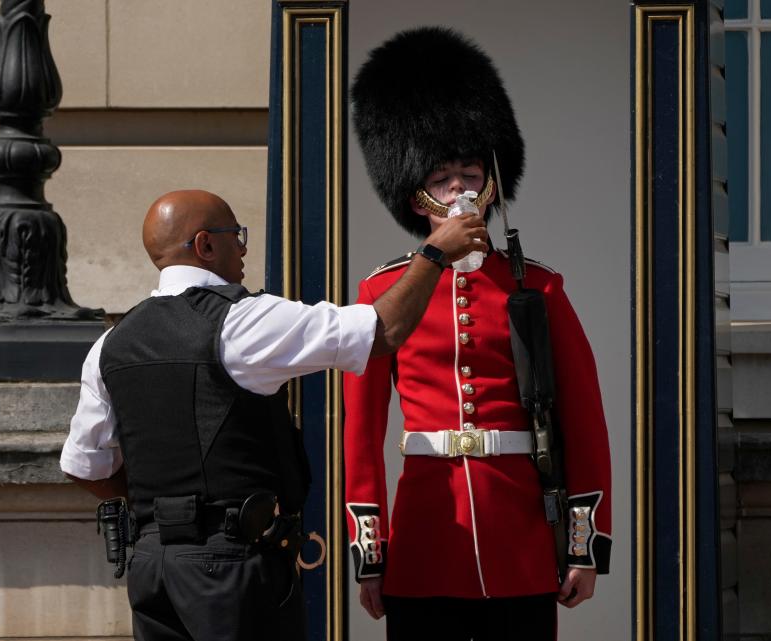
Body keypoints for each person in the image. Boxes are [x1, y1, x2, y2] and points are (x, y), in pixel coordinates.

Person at [59, 188, 488, 641]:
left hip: (151, 567)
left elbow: (83, 466)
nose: (243, 248)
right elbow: (383, 330)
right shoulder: (244, 321)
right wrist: (435, 253)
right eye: (235, 236)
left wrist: (163, 509)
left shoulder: (111, 343)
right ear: (205, 245)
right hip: (231, 567)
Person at [344, 27, 613, 640]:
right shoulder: (381, 292)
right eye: (444, 180)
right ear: (418, 197)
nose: (461, 190)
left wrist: (582, 544)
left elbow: (585, 420)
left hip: (517, 533)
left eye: (470, 175)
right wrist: (372, 553)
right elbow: (361, 434)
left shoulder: (539, 287)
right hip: (426, 532)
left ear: (492, 186)